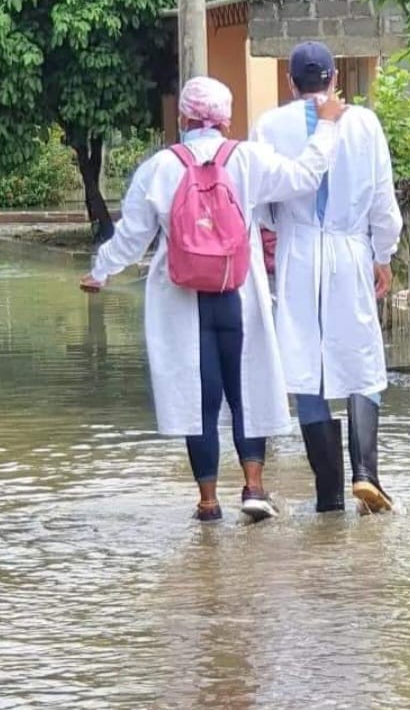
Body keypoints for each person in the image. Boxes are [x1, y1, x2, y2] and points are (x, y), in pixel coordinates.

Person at [80, 76, 346, 523]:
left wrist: (100, 271)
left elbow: (132, 236)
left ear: (183, 117)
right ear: (225, 118)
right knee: (248, 391)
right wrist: (327, 125)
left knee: (198, 399)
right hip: (238, 292)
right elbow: (305, 175)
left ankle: (207, 500)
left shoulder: (160, 167)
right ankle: (255, 488)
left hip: (182, 299)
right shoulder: (248, 159)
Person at [252, 42, 403, 515]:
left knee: (306, 368)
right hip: (350, 252)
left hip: (299, 256)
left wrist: (290, 228)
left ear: (291, 82)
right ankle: (366, 474)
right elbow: (383, 201)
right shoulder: (364, 123)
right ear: (335, 78)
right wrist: (383, 254)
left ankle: (328, 497)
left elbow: (261, 203)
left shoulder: (269, 126)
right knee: (361, 357)